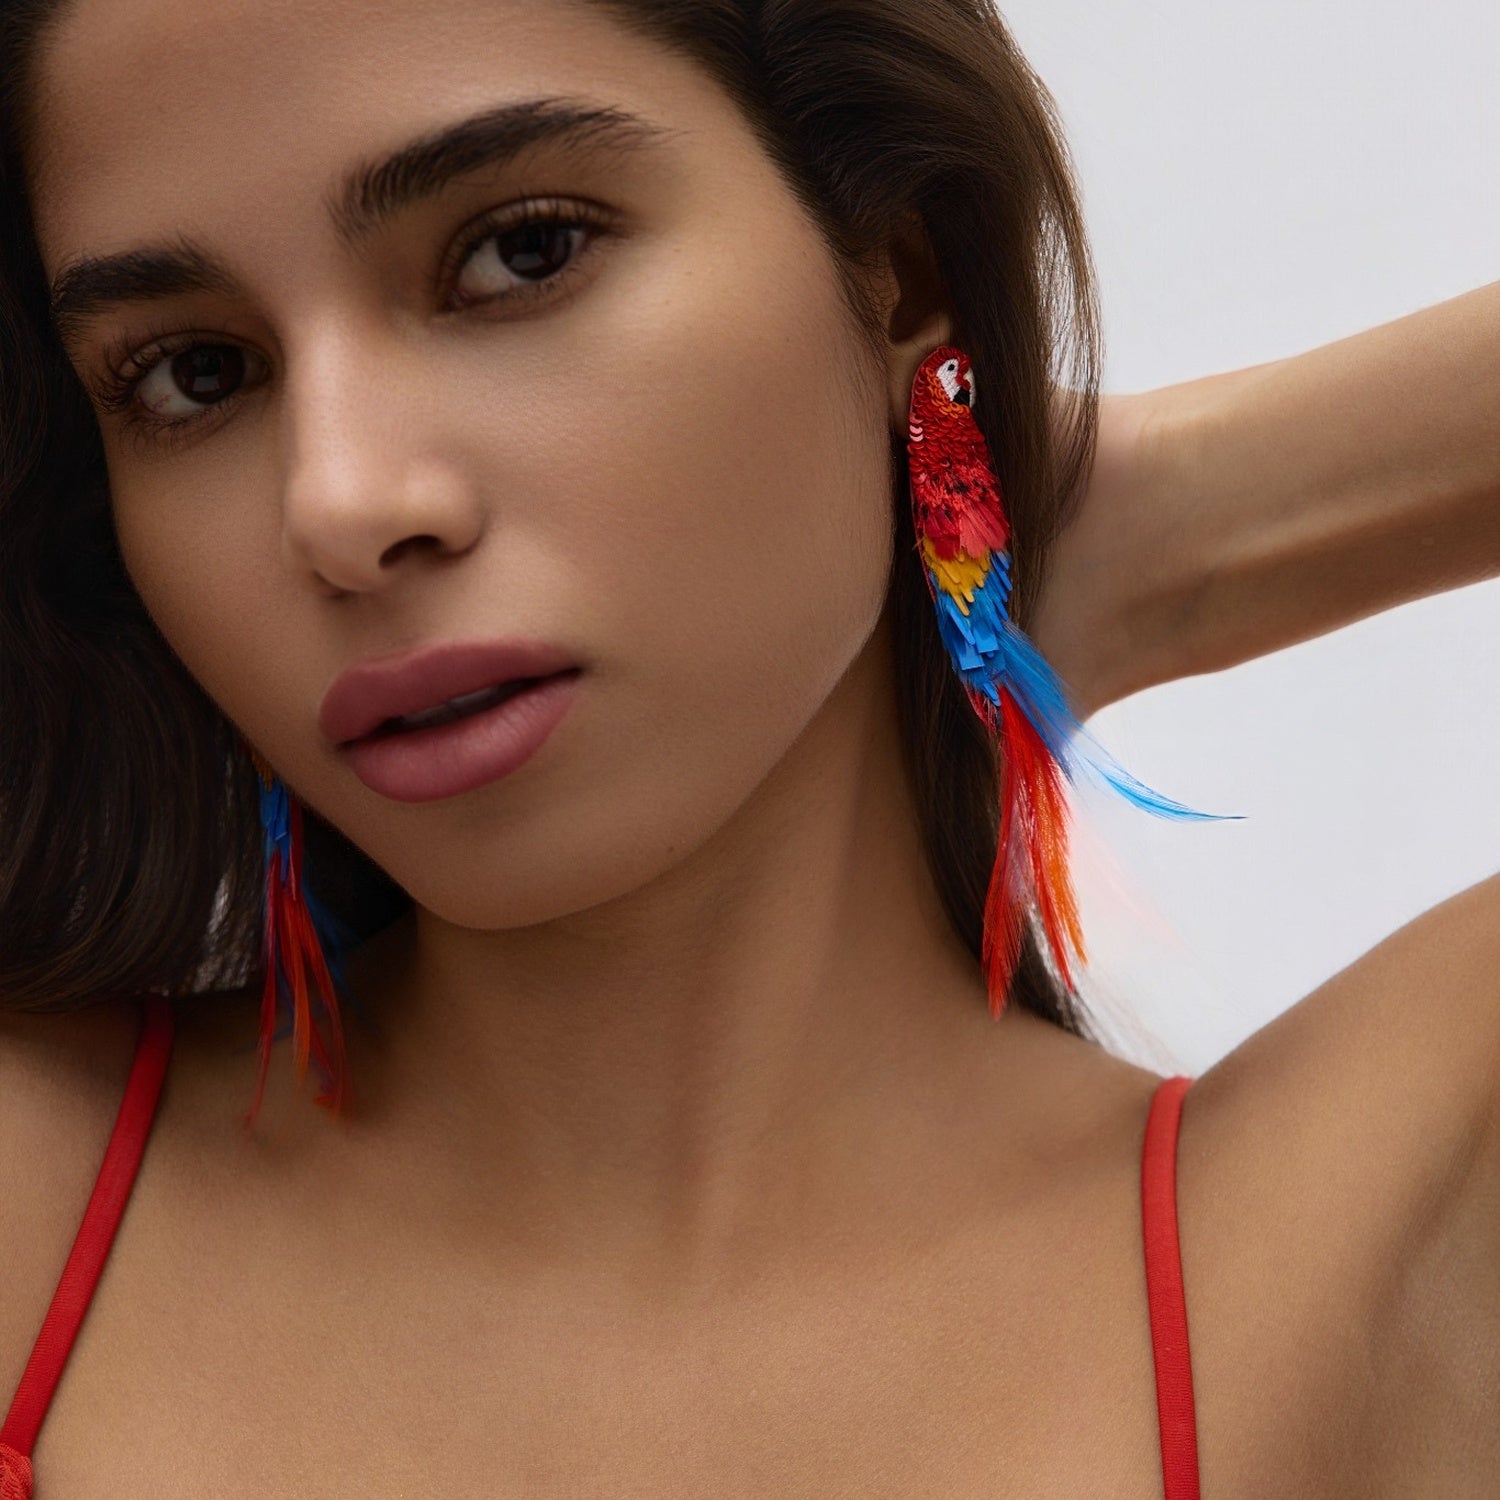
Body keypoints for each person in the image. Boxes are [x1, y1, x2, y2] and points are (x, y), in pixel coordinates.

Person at [0, 0, 1495, 1494]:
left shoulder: (1359, 1229)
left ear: (899, 266)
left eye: (521, 251)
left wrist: (1102, 514)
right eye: (192, 375)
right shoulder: (32, 1196)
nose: (337, 504)